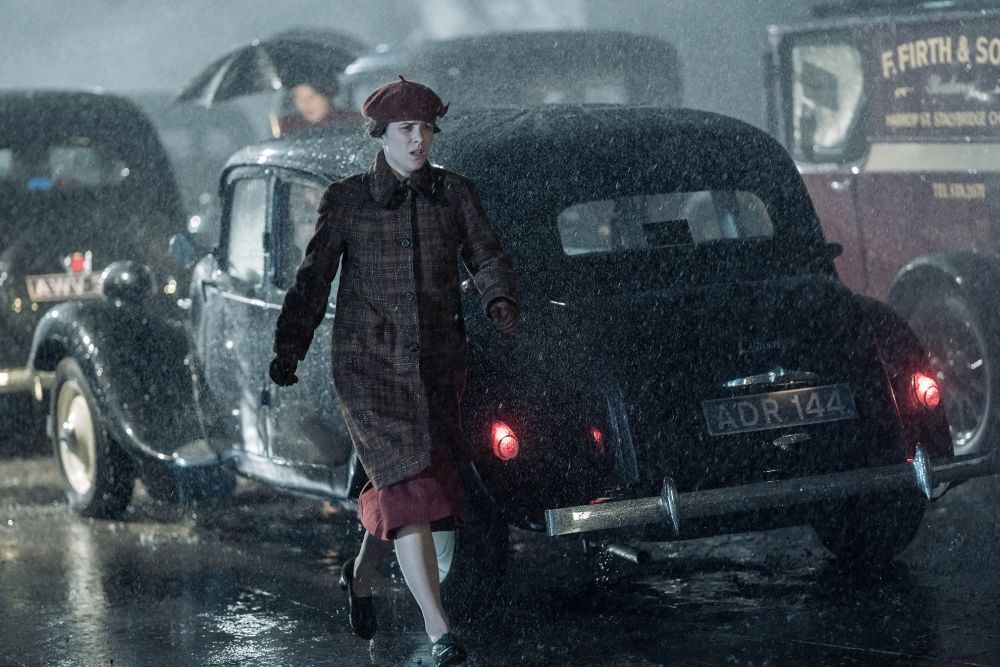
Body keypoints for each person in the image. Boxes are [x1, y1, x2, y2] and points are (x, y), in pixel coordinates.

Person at [268, 75, 520, 666]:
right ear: (380, 134)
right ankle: (439, 631)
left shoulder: (454, 193)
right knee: (410, 493)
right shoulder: (348, 200)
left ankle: (360, 576)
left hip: (437, 369)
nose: (418, 140)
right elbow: (313, 280)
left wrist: (498, 298)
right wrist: (290, 347)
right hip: (369, 371)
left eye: (426, 128)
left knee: (411, 485)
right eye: (406, 129)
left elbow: (486, 253)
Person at [277, 80, 356, 135]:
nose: (304, 104)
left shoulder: (351, 121)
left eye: (310, 97)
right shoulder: (288, 127)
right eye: (299, 99)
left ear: (326, 97)